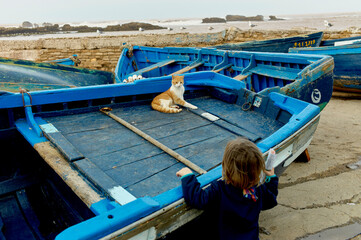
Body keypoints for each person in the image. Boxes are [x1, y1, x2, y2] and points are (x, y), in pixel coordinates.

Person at [176, 138, 278, 240]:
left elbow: (197, 199)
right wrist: (271, 178)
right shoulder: (259, 190)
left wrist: (188, 176)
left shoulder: (220, 189)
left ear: (225, 166)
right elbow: (271, 201)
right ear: (258, 168)